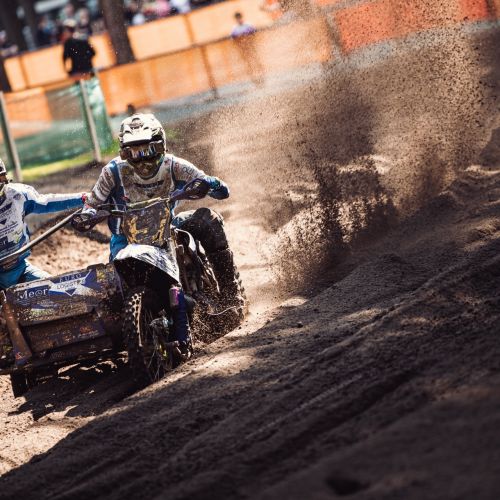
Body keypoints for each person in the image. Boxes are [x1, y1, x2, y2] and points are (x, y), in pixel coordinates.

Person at [79, 113, 239, 359]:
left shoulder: (173, 165)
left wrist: (212, 184)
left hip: (166, 227)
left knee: (208, 220)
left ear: (160, 145)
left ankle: (231, 294)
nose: (141, 159)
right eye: (133, 152)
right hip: (126, 238)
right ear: (124, 152)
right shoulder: (113, 171)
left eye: (147, 150)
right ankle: (137, 327)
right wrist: (87, 215)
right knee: (117, 288)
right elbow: (93, 202)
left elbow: (219, 189)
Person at [0, 158, 85, 290]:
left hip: (21, 270)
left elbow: (47, 202)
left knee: (58, 291)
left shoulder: (18, 195)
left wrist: (83, 198)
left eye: (1, 177)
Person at [231, 12, 264, 85]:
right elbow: (233, 39)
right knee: (248, 63)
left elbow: (254, 33)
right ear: (236, 19)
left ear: (241, 17)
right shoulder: (235, 28)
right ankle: (253, 79)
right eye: (237, 19)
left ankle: (261, 76)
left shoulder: (248, 25)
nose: (239, 20)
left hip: (251, 46)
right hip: (243, 49)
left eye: (239, 18)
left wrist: (247, 37)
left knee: (256, 60)